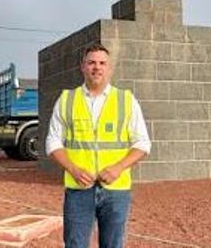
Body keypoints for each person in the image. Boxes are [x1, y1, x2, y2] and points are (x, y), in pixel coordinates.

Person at [47, 44, 150, 248]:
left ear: (109, 68)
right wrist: (73, 169)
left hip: (115, 189)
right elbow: (53, 142)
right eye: (91, 62)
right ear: (82, 67)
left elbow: (142, 143)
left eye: (102, 63)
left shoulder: (126, 100)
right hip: (78, 188)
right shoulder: (67, 99)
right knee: (75, 244)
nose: (97, 67)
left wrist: (118, 168)